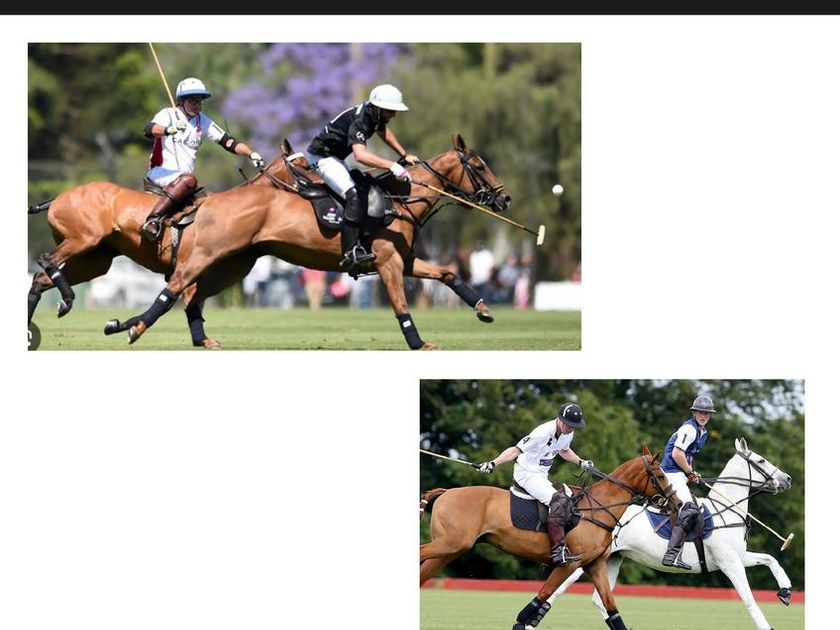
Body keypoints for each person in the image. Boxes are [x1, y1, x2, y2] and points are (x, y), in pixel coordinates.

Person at [305, 83, 420, 276]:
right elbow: (360, 155)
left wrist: (404, 154)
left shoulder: (374, 115)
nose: (394, 115)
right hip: (322, 157)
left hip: (336, 158)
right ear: (378, 108)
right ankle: (349, 253)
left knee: (365, 187)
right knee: (353, 195)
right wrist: (392, 165)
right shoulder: (359, 121)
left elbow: (383, 132)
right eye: (390, 111)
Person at [140, 77, 264, 242]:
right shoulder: (168, 114)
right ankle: (152, 221)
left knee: (210, 202)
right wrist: (169, 129)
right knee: (189, 180)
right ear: (181, 101)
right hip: (161, 172)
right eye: (192, 101)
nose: (197, 105)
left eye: (199, 101)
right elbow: (148, 129)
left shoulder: (202, 120)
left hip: (184, 181)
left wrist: (251, 153)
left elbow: (227, 141)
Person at [477, 403, 594, 566]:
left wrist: (581, 462)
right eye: (569, 425)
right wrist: (493, 463)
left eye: (574, 426)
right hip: (526, 473)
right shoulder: (542, 433)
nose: (571, 429)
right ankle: (557, 552)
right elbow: (515, 450)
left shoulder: (568, 433)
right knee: (558, 501)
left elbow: (564, 451)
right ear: (560, 420)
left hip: (541, 475)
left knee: (569, 499)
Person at [660, 394, 714, 569]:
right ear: (694, 413)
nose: (703, 416)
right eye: (700, 412)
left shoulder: (703, 432)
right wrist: (689, 471)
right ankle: (672, 555)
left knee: (693, 507)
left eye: (706, 413)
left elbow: (687, 456)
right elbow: (677, 454)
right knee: (689, 509)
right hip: (670, 473)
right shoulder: (689, 429)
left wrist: (690, 473)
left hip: (679, 474)